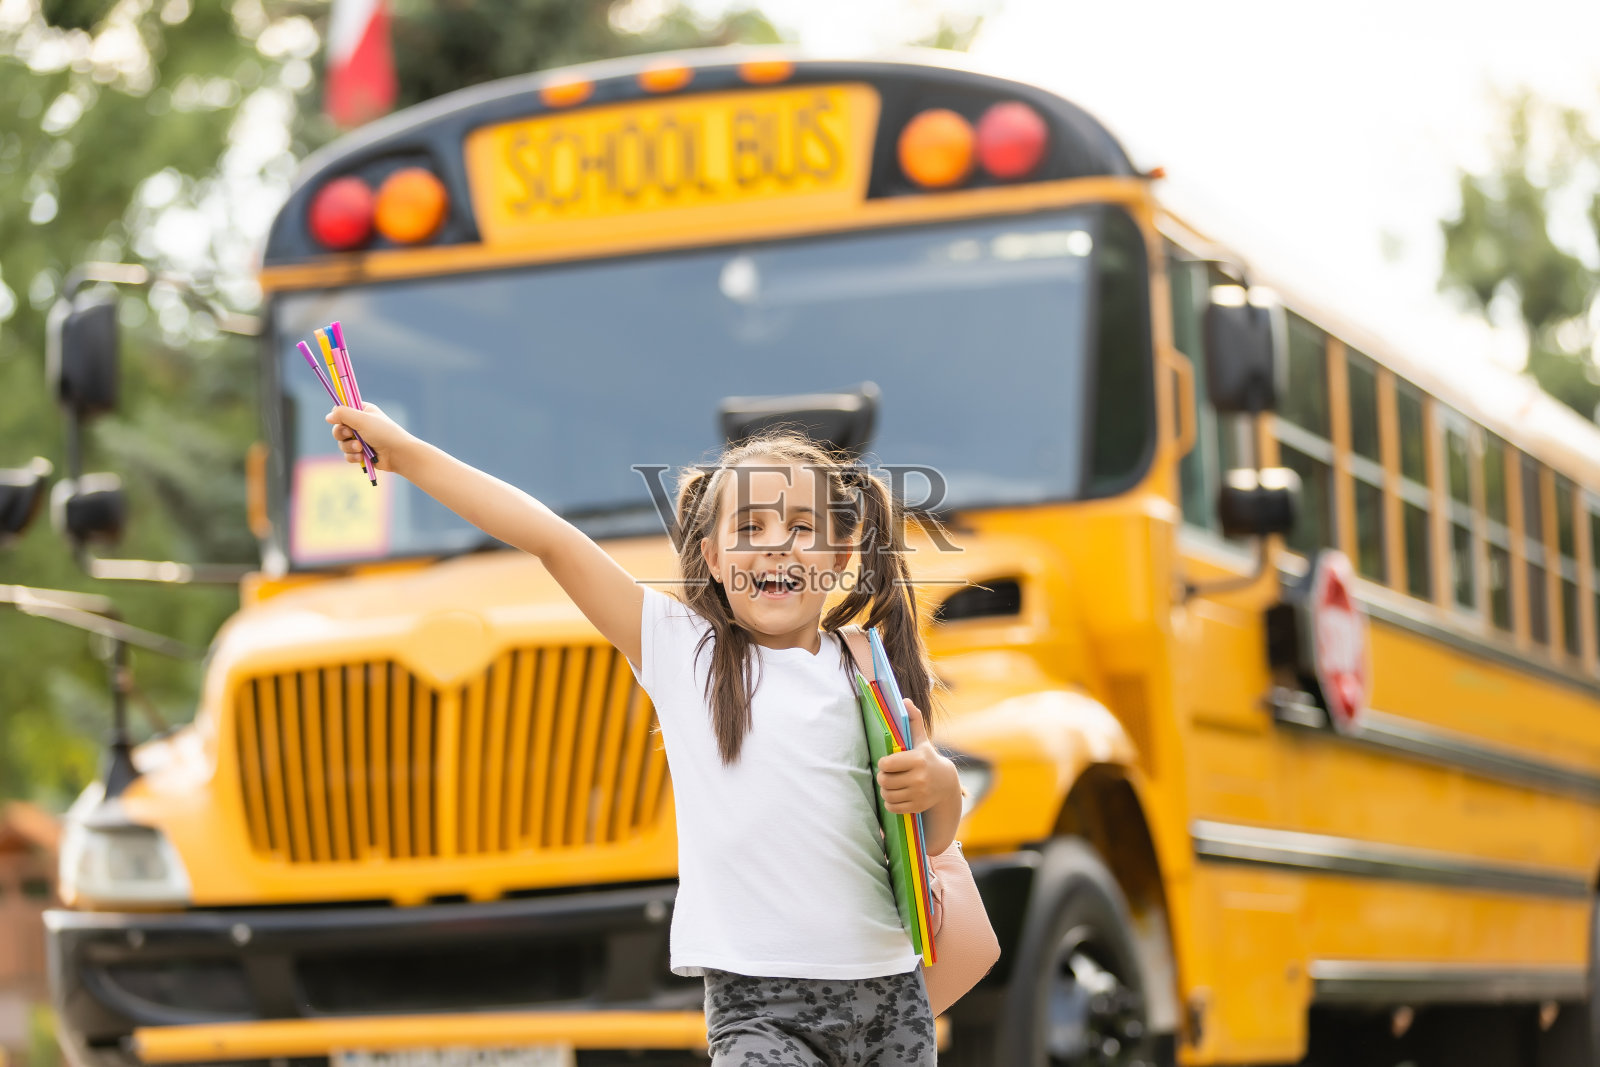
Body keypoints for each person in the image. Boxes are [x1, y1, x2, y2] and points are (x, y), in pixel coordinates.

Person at [326, 404, 962, 1066]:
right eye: (750, 527)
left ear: (840, 556)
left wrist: (940, 786)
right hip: (759, 1003)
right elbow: (550, 538)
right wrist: (404, 454)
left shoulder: (865, 669)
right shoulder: (685, 652)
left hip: (890, 994)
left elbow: (929, 842)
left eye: (802, 527)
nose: (777, 544)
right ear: (712, 557)